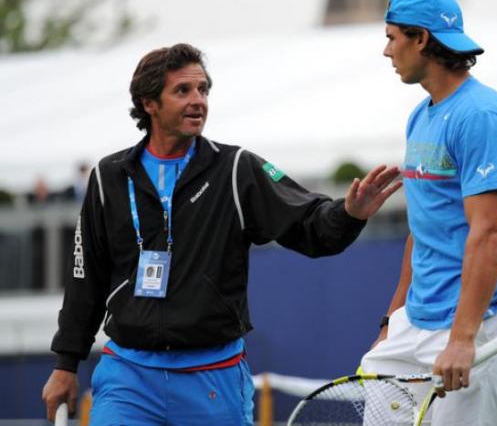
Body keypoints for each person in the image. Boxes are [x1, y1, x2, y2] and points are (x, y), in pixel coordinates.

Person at [42, 43, 402, 425]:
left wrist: (348, 213)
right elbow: (85, 280)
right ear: (149, 103)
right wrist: (66, 363)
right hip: (129, 377)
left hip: (213, 377)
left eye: (203, 90)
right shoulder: (107, 177)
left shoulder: (236, 169)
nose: (198, 101)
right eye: (183, 91)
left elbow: (309, 225)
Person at [360, 0, 497, 426]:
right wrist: (392, 318)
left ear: (420, 39)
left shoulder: (482, 117)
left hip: (478, 324)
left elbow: (490, 232)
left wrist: (462, 338)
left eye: (392, 36)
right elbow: (423, 227)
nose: (386, 51)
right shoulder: (421, 115)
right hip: (414, 322)